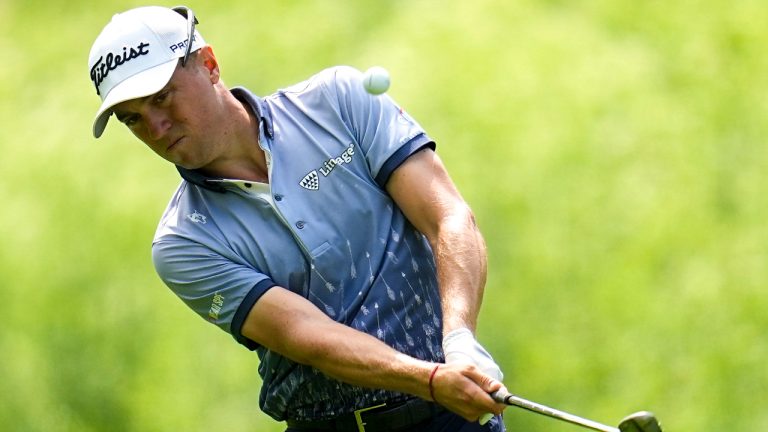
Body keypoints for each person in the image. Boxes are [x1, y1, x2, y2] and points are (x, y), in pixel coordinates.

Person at [88, 6, 508, 431]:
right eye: (133, 119)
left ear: (209, 65)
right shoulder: (182, 243)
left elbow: (447, 217)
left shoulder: (339, 101)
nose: (156, 128)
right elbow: (307, 336)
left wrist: (460, 343)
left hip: (452, 416)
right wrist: (431, 380)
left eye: (162, 97)